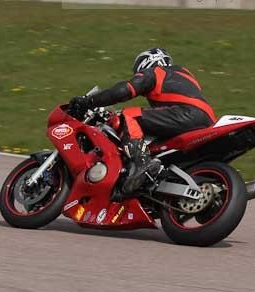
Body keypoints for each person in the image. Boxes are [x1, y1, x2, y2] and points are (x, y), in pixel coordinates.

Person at [67, 48, 217, 194]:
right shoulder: (185, 75)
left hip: (187, 113)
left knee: (129, 115)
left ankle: (141, 163)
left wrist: (90, 101)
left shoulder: (156, 72)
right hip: (207, 120)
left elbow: (123, 91)